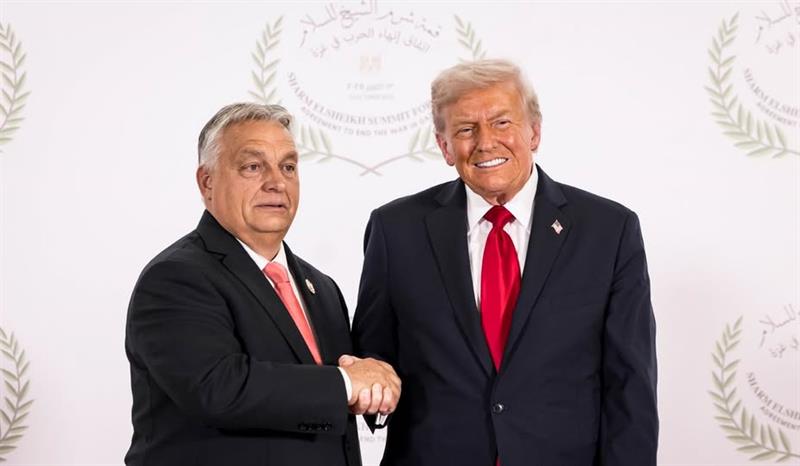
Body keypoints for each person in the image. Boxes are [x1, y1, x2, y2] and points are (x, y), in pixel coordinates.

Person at [352, 59, 658, 466]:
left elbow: (630, 385)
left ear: (534, 132)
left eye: (501, 123)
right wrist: (369, 391)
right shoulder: (396, 230)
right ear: (444, 146)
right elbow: (373, 359)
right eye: (465, 129)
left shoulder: (609, 230)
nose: (485, 142)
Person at [125, 103, 400, 466]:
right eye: (253, 167)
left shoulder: (322, 288)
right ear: (207, 182)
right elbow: (218, 388)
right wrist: (346, 383)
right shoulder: (175, 277)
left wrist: (378, 383)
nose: (276, 182)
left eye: (288, 167)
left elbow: (332, 408)